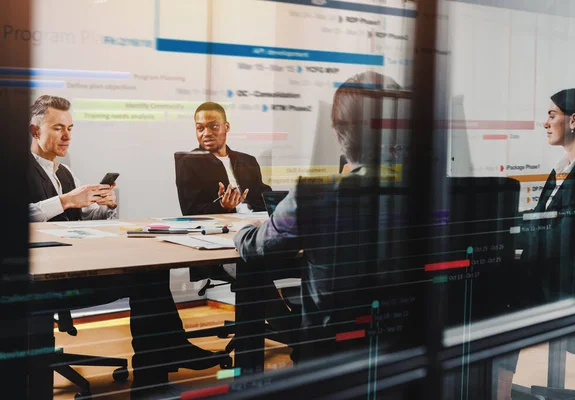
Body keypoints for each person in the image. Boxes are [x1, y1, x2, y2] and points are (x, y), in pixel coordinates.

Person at [27, 95, 228, 397]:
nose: (67, 136)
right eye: (58, 128)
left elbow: (81, 219)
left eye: (70, 128)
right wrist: (67, 200)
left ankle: (155, 373)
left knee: (150, 270)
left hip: (74, 266)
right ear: (34, 131)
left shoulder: (64, 174)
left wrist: (106, 206)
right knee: (147, 277)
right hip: (38, 281)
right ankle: (169, 354)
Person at [233, 72, 418, 363]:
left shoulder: (315, 194)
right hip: (413, 348)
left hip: (333, 357)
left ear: (337, 132)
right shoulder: (437, 193)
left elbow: (258, 248)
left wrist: (242, 229)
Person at [496, 88, 575, 399]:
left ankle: (497, 388)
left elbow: (564, 234)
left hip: (565, 282)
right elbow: (544, 221)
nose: (545, 122)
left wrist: (512, 238)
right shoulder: (564, 169)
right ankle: (496, 386)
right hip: (553, 271)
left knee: (499, 300)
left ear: (573, 121)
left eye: (551, 115)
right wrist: (508, 227)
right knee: (498, 285)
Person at [176, 101, 272, 216]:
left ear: (226, 127)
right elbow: (190, 211)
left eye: (213, 126)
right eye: (200, 128)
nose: (206, 133)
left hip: (255, 223)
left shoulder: (247, 161)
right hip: (222, 226)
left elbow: (262, 199)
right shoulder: (189, 163)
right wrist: (222, 206)